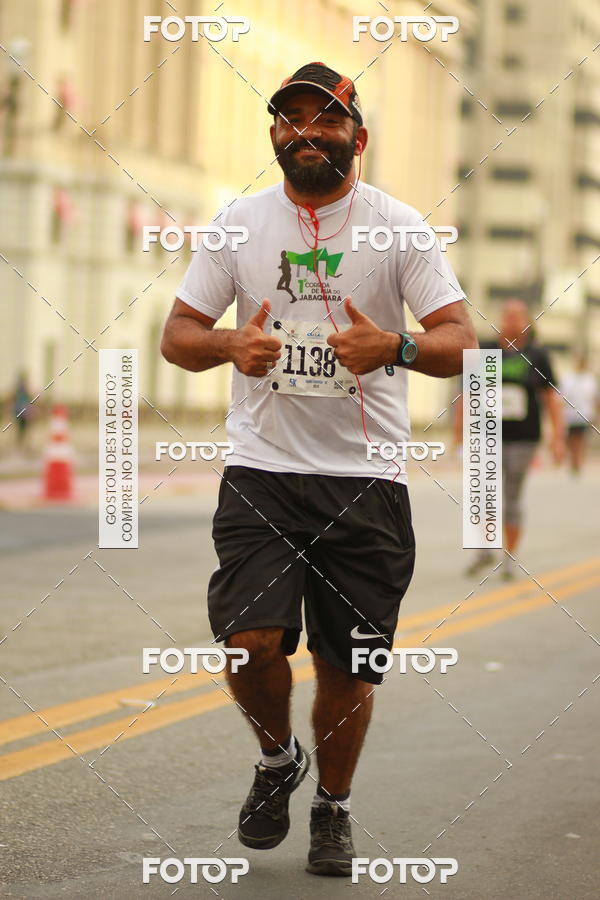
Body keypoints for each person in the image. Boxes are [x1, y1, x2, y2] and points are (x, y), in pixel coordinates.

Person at [161, 61, 477, 877]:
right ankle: (276, 763)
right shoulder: (237, 224)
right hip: (261, 469)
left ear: (356, 136)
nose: (305, 133)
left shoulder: (402, 229)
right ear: (274, 135)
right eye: (289, 120)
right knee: (249, 642)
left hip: (366, 480)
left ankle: (332, 809)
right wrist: (232, 344)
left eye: (324, 120)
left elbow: (460, 340)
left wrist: (395, 346)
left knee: (346, 668)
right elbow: (179, 335)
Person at [456, 298, 565, 580]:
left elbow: (551, 398)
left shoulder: (537, 355)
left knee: (512, 496)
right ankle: (484, 549)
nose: (513, 321)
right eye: (508, 315)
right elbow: (467, 394)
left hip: (524, 438)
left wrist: (558, 438)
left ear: (527, 321)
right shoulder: (485, 350)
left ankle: (509, 557)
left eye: (518, 316)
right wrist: (460, 435)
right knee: (483, 495)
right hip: (487, 435)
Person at [559, 356, 597, 475]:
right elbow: (561, 396)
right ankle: (574, 459)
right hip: (570, 415)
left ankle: (577, 460)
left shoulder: (590, 379)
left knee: (580, 438)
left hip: (585, 414)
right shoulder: (568, 378)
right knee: (571, 439)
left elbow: (594, 398)